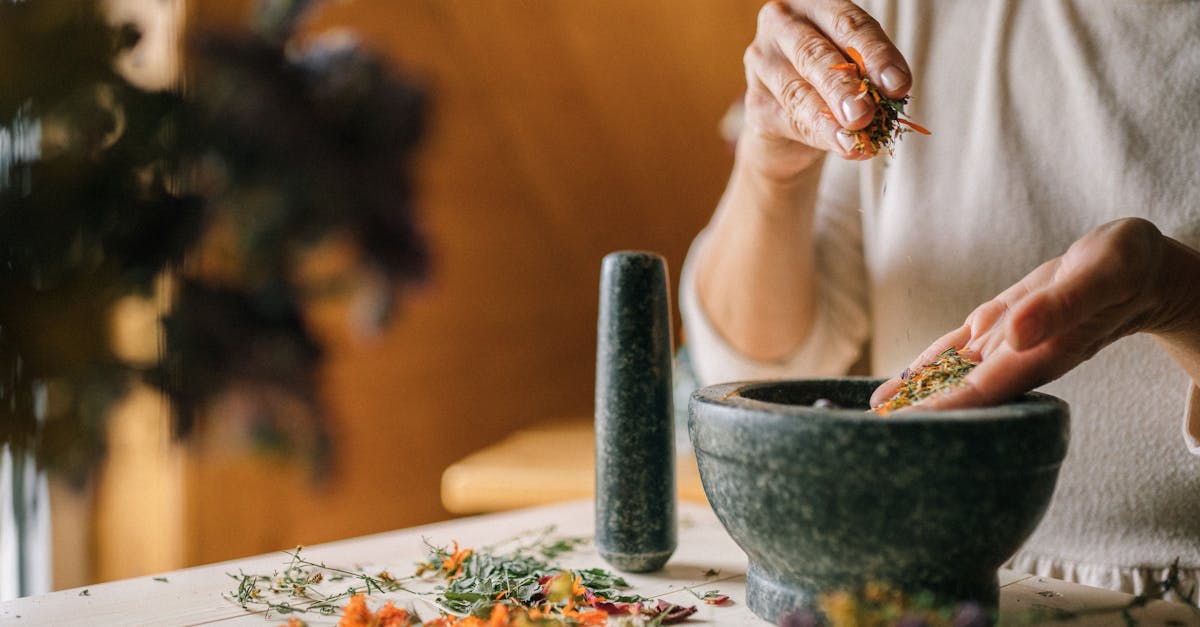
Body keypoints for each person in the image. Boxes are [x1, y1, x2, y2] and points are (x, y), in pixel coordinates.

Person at [680, 0, 1200, 603]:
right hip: (913, 586)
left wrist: (1181, 302)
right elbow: (755, 373)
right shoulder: (891, 14)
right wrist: (773, 167)